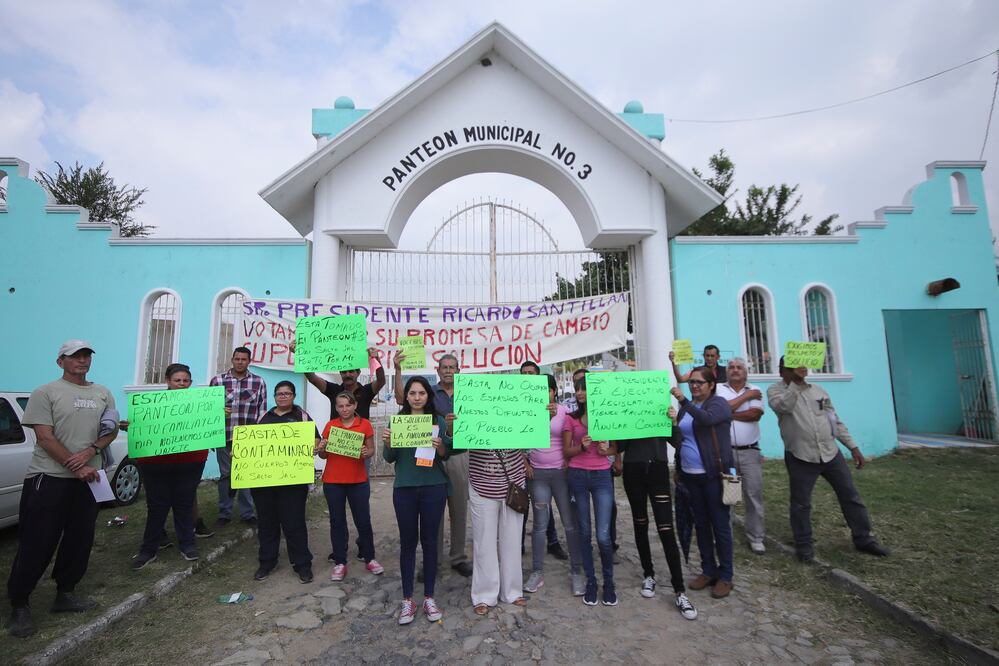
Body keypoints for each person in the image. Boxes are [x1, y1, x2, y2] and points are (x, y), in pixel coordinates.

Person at [7, 340, 117, 638]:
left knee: (80, 539)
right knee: (38, 541)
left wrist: (93, 449)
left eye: (86, 356)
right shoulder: (46, 392)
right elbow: (44, 437)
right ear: (61, 362)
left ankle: (65, 593)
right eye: (75, 356)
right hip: (49, 477)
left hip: (89, 481)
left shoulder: (102, 392)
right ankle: (20, 603)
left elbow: (111, 429)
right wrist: (77, 465)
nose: (82, 360)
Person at [767, 356, 890, 563]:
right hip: (801, 455)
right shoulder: (775, 391)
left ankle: (864, 538)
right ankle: (804, 545)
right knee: (801, 504)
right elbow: (784, 407)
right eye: (793, 368)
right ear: (782, 371)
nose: (800, 370)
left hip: (830, 453)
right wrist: (795, 384)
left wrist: (853, 447)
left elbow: (834, 420)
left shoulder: (819, 391)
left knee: (850, 495)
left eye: (801, 366)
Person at [394, 352, 472, 578]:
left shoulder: (470, 393)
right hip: (429, 453)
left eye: (452, 367)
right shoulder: (429, 393)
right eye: (444, 367)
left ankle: (458, 557)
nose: (448, 370)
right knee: (432, 510)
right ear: (438, 371)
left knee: (459, 508)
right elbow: (402, 399)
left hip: (459, 453)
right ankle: (433, 560)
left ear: (459, 370)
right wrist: (397, 370)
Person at [382, 374, 451, 625]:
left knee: (430, 542)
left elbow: (445, 455)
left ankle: (430, 597)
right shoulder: (397, 421)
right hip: (405, 488)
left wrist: (440, 446)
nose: (417, 397)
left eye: (422, 393)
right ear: (406, 397)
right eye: (413, 393)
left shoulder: (438, 422)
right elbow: (389, 458)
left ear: (428, 396)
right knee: (408, 543)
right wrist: (388, 441)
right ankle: (408, 599)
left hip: (434, 487)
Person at [617, 406, 698, 620]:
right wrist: (620, 425)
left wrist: (672, 423)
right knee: (640, 523)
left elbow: (678, 443)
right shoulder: (625, 411)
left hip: (658, 469)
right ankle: (648, 574)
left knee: (665, 528)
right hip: (633, 470)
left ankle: (679, 590)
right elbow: (620, 446)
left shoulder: (659, 410)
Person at [130, 363, 208, 570]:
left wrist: (219, 416)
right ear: (167, 381)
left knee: (184, 502)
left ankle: (188, 544)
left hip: (191, 461)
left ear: (190, 383)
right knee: (157, 505)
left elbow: (208, 426)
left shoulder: (200, 403)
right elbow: (142, 426)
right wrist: (132, 426)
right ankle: (149, 549)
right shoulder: (150, 404)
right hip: (156, 463)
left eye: (186, 381)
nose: (182, 384)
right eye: (177, 380)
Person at [670, 365, 736, 599]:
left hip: (713, 475)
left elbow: (707, 421)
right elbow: (681, 440)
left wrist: (684, 401)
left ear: (711, 385)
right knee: (701, 524)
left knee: (720, 524)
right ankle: (708, 570)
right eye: (692, 382)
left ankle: (726, 575)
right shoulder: (687, 409)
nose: (695, 386)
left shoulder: (717, 404)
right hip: (690, 476)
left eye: (699, 382)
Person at [251, 381, 318, 583]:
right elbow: (251, 443)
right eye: (279, 394)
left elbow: (315, 439)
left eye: (287, 393)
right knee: (266, 523)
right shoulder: (263, 417)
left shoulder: (302, 416)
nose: (283, 397)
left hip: (293, 482)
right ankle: (267, 562)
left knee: (294, 523)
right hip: (264, 481)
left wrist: (314, 447)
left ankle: (302, 564)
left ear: (293, 396)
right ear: (274, 396)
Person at [524, 374, 584, 597]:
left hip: (560, 474)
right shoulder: (528, 412)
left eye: (548, 389)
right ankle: (537, 571)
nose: (545, 393)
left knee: (569, 523)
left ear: (554, 392)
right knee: (539, 524)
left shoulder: (565, 412)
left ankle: (576, 572)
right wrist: (524, 461)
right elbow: (519, 437)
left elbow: (574, 439)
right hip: (538, 475)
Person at [458, 427, 529, 615]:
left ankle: (512, 591)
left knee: (513, 541)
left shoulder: (519, 399)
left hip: (512, 482)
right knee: (484, 542)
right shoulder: (472, 400)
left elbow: (532, 434)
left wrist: (545, 417)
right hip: (482, 483)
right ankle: (483, 594)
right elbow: (458, 446)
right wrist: (453, 428)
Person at [563, 376, 618, 606]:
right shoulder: (571, 419)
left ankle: (609, 582)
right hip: (577, 475)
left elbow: (616, 447)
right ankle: (592, 581)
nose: (580, 392)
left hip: (602, 476)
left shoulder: (607, 417)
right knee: (584, 532)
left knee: (603, 536)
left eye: (584, 388)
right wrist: (581, 447)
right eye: (578, 389)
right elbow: (567, 452)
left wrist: (607, 450)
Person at [319, 391, 383, 581]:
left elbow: (371, 450)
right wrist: (322, 448)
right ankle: (340, 562)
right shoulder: (331, 425)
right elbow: (323, 455)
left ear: (355, 406)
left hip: (357, 480)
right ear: (336, 408)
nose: (344, 409)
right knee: (337, 522)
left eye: (348, 405)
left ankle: (370, 558)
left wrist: (366, 452)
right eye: (340, 406)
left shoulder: (364, 425)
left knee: (363, 520)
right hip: (333, 481)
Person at [716, 357, 767, 554]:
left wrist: (728, 413)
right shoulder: (719, 389)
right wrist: (745, 398)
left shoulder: (755, 389)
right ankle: (725, 535)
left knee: (753, 494)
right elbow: (722, 410)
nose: (735, 370)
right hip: (727, 452)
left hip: (750, 452)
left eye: (739, 367)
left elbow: (755, 415)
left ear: (746, 372)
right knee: (730, 495)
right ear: (726, 371)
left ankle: (756, 537)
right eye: (731, 367)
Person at [209, 347, 264, 526]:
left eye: (244, 359)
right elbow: (209, 411)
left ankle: (247, 513)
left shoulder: (259, 382)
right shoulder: (217, 381)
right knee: (226, 475)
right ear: (232, 360)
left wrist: (259, 437)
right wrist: (211, 436)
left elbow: (261, 412)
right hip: (224, 436)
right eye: (237, 359)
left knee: (246, 475)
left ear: (249, 361)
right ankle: (224, 512)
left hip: (248, 438)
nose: (240, 362)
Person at [519, 361, 567, 562]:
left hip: (549, 470)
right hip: (524, 466)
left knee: (543, 507)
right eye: (524, 374)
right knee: (520, 506)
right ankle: (518, 544)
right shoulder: (518, 405)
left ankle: (553, 542)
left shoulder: (558, 409)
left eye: (532, 373)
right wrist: (524, 463)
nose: (528, 376)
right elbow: (516, 438)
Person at [291, 341, 385, 421]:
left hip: (361, 441)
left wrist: (376, 359)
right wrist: (300, 355)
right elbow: (312, 378)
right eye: (344, 372)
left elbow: (381, 381)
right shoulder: (334, 390)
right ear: (340, 373)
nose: (347, 375)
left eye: (351, 371)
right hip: (337, 440)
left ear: (358, 373)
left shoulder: (366, 391)